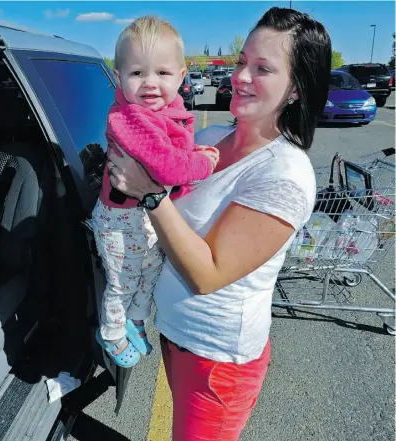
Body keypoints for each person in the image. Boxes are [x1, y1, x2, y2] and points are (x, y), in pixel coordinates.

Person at [106, 7, 331, 440]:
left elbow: (207, 274)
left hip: (217, 360)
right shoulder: (208, 141)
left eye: (262, 68)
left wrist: (149, 193)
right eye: (242, 61)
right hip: (175, 336)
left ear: (296, 89)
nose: (241, 76)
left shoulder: (284, 173)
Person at [91, 16, 219, 368]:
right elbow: (167, 167)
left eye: (162, 73)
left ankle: (135, 319)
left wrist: (189, 156)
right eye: (137, 73)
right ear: (118, 78)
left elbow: (172, 156)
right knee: (123, 279)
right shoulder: (131, 117)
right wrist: (202, 163)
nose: (150, 83)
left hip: (147, 217)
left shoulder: (166, 112)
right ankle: (113, 332)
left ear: (181, 76)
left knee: (150, 271)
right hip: (120, 222)